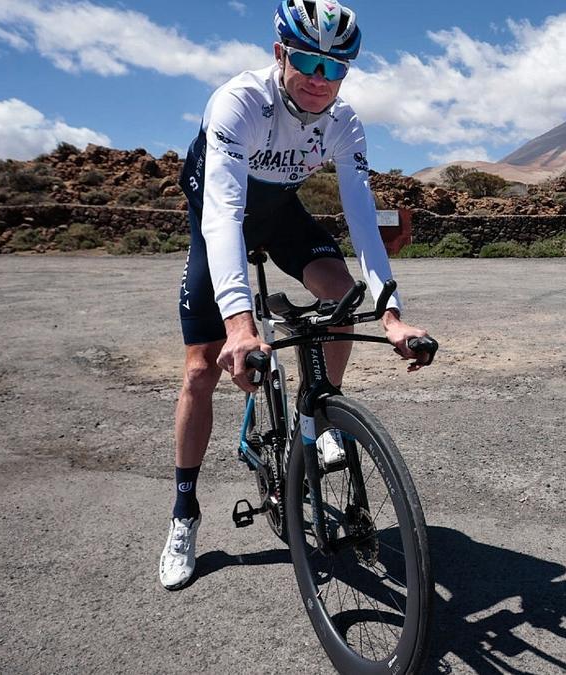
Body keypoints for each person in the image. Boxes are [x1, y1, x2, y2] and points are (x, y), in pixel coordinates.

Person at [159, 0, 432, 590]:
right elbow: (224, 213)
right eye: (307, 59)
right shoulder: (239, 102)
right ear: (280, 52)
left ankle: (321, 414)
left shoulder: (345, 122)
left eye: (334, 68)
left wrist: (391, 315)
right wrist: (239, 325)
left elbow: (362, 220)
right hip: (219, 220)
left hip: (282, 214)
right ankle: (184, 512)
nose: (319, 78)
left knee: (340, 299)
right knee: (202, 370)